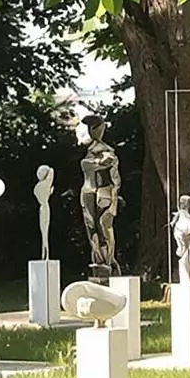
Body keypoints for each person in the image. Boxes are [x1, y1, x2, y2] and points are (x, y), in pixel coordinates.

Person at [78, 114, 120, 281]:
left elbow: (113, 173)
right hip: (88, 191)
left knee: (104, 226)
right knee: (91, 227)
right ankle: (98, 261)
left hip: (103, 191)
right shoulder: (89, 152)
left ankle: (108, 262)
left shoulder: (107, 152)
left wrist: (114, 198)